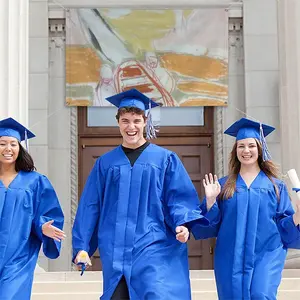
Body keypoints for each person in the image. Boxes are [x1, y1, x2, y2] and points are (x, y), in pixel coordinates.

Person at [72, 89, 209, 300]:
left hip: (154, 245)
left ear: (146, 121)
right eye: (125, 121)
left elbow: (179, 197)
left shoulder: (165, 160)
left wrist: (183, 223)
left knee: (156, 293)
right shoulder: (105, 164)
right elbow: (91, 206)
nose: (131, 127)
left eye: (136, 120)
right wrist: (82, 247)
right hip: (116, 249)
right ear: (118, 122)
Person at [191, 118, 300, 300]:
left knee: (260, 294)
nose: (246, 151)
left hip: (267, 253)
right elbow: (209, 226)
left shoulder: (275, 186)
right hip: (230, 254)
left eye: (251, 146)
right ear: (235, 151)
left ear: (260, 149)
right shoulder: (224, 185)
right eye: (241, 146)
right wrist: (210, 201)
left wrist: (298, 215)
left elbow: (285, 227)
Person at [0, 117, 65, 300]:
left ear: (20, 148)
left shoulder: (35, 181)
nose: (8, 149)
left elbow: (47, 212)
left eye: (13, 144)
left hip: (18, 257)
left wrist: (42, 226)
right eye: (2, 143)